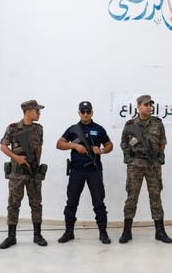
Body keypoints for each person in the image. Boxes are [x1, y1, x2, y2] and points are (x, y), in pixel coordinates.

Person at [56, 101, 113, 244]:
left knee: (99, 202)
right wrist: (74, 146)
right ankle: (69, 232)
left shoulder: (99, 129)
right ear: (79, 113)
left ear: (92, 113)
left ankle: (103, 232)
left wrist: (100, 150)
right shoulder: (72, 129)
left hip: (94, 170)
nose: (86, 114)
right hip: (77, 171)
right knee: (71, 202)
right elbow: (59, 144)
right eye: (83, 111)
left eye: (88, 111)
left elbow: (109, 145)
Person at [119, 94, 172, 244]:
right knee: (132, 197)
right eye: (146, 104)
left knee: (155, 197)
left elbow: (162, 141)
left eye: (151, 105)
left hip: (153, 165)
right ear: (138, 106)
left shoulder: (158, 123)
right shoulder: (130, 125)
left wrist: (161, 154)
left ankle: (160, 231)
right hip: (135, 165)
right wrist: (128, 155)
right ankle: (127, 231)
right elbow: (123, 142)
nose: (150, 107)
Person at [0, 100, 47, 249]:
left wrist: (36, 165)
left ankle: (37, 235)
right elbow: (3, 147)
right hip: (17, 174)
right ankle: (11, 237)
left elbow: (39, 148)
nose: (39, 113)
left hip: (33, 174)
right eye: (37, 110)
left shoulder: (39, 129)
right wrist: (17, 158)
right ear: (28, 111)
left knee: (36, 204)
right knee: (13, 204)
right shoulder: (13, 128)